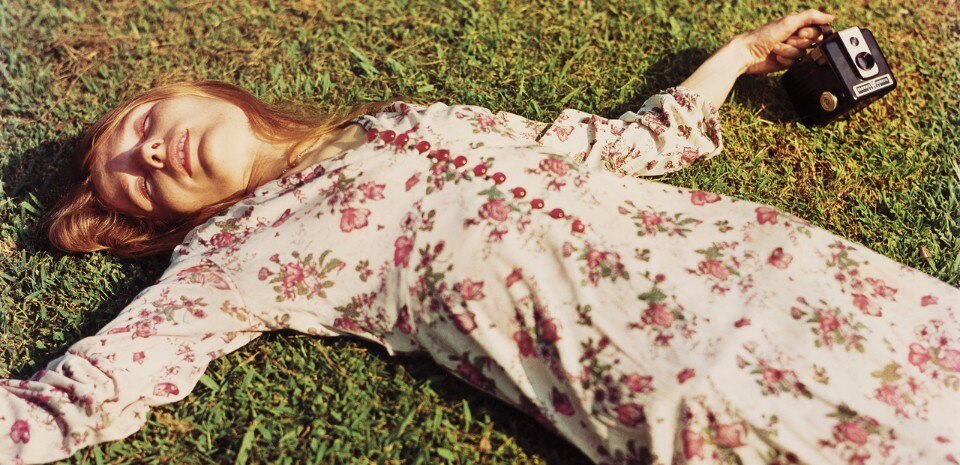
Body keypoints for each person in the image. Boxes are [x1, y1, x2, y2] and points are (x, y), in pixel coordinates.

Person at [2, 8, 957, 465]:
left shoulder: (400, 117)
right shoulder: (232, 254)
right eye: (130, 178)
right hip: (670, 372)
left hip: (787, 269)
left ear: (202, 92)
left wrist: (739, 57)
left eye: (140, 122)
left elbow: (619, 145)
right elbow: (90, 387)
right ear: (164, 222)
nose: (147, 149)